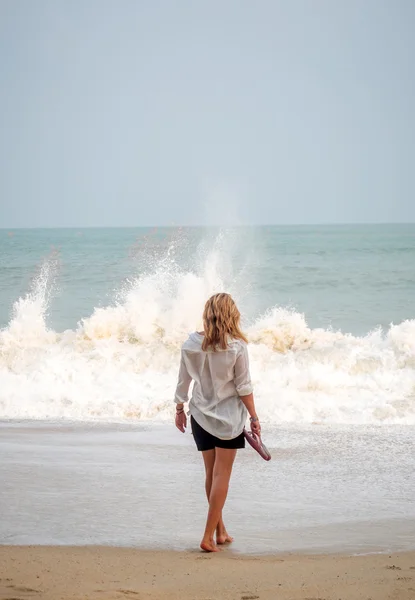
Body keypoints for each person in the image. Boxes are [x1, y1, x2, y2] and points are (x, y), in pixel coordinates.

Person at [174, 292, 261, 552]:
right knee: (222, 475)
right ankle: (207, 536)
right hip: (229, 420)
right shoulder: (236, 346)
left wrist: (179, 408)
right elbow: (243, 387)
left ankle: (220, 531)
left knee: (211, 474)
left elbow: (183, 382)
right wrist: (255, 418)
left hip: (200, 414)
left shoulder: (191, 344)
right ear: (231, 315)